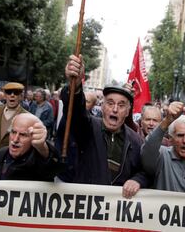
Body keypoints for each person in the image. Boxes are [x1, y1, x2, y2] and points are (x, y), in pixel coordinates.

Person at [60, 54, 149, 198]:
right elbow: (76, 109)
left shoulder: (136, 141)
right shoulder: (88, 127)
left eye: (121, 105)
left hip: (115, 214)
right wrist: (75, 85)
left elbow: (145, 171)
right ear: (102, 106)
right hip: (84, 208)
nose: (115, 109)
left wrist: (137, 180)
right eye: (110, 103)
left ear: (127, 111)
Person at [141, 104, 185, 192]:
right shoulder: (161, 156)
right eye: (180, 135)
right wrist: (166, 121)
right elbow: (148, 149)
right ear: (170, 139)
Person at [0, 113, 63, 181]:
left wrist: (42, 147)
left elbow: (54, 167)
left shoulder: (39, 160)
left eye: (23, 135)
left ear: (33, 137)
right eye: (13, 132)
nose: (15, 139)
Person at [0, 82, 28, 157]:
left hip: (12, 160)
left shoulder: (26, 116)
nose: (12, 95)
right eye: (8, 92)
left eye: (16, 93)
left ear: (21, 96)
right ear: (4, 96)